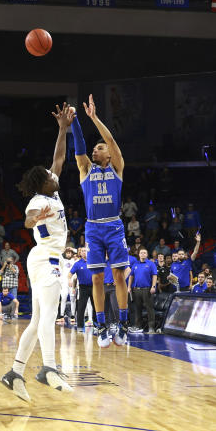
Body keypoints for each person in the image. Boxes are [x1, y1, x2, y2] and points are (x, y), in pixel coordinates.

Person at [1, 105, 76, 401]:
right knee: (48, 315)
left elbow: (59, 158)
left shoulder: (52, 192)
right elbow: (29, 218)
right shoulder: (38, 200)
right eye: (49, 175)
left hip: (46, 257)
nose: (54, 174)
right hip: (46, 260)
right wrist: (35, 218)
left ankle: (14, 373)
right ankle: (48, 367)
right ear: (43, 183)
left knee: (36, 321)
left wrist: (62, 129)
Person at [70, 94, 129, 347]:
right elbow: (80, 146)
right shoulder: (86, 169)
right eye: (95, 148)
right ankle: (103, 325)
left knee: (118, 276)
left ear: (108, 154)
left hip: (114, 225)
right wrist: (75, 122)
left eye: (100, 148)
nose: (96, 149)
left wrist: (94, 118)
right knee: (96, 278)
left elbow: (112, 141)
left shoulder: (117, 167)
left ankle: (123, 324)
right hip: (93, 227)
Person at [70, 247, 94, 331]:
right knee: (81, 307)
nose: (84, 252)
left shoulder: (93, 262)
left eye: (86, 251)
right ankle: (80, 326)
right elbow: (70, 274)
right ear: (80, 253)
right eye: (83, 251)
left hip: (94, 287)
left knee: (96, 306)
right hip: (83, 288)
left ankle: (98, 325)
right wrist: (69, 279)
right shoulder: (77, 264)